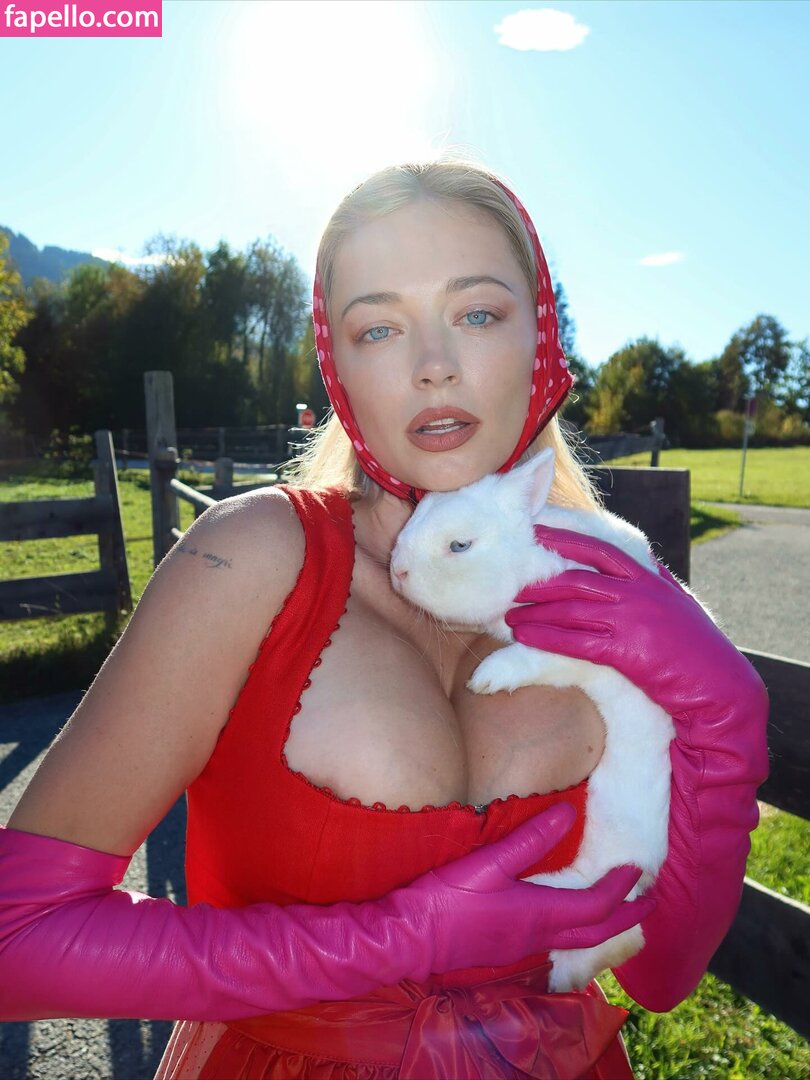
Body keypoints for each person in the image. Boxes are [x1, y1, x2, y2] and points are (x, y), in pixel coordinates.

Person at [0, 158, 768, 1080]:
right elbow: (17, 941)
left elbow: (662, 976)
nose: (434, 364)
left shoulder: (608, 590)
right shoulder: (252, 560)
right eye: (379, 327)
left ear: (541, 338)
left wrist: (728, 722)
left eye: (477, 314)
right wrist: (394, 939)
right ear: (338, 368)